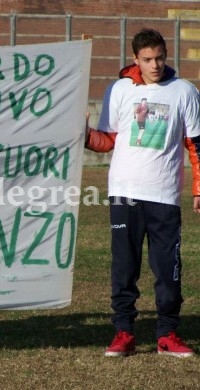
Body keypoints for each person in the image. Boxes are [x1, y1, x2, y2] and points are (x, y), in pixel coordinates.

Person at [85, 27, 200, 358]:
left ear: (166, 55)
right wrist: (84, 133)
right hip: (124, 193)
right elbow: (107, 140)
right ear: (135, 58)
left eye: (160, 57)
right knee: (124, 266)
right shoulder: (119, 90)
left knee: (167, 268)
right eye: (148, 59)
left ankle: (167, 334)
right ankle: (124, 333)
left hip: (163, 195)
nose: (155, 65)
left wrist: (197, 186)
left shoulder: (184, 91)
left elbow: (195, 144)